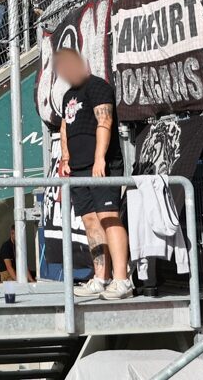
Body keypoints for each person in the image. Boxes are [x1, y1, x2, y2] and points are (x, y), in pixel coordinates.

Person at [52, 46, 131, 301]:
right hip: (78, 168)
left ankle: (122, 280)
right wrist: (65, 157)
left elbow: (104, 121)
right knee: (90, 222)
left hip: (101, 166)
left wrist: (100, 159)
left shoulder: (98, 86)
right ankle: (101, 277)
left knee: (108, 218)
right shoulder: (67, 96)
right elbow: (65, 126)